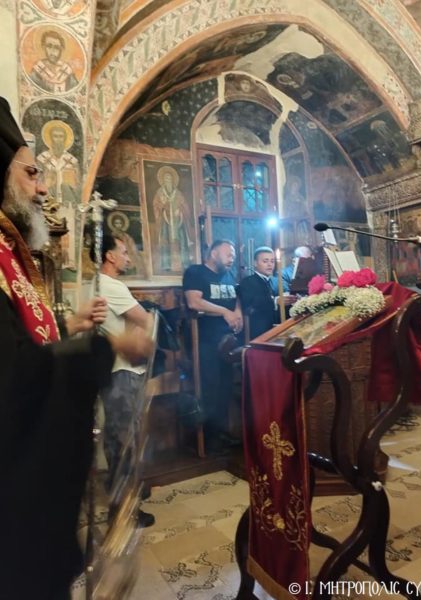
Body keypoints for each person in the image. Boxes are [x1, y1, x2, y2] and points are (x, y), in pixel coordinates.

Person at [0, 97, 152, 600]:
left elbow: (18, 337)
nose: (43, 187)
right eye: (31, 173)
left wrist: (66, 324)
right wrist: (104, 349)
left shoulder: (8, 252)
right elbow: (14, 375)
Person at [93, 233, 156, 526]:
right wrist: (139, 338)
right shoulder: (111, 285)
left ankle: (121, 503)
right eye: (123, 252)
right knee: (126, 441)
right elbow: (145, 319)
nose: (128, 258)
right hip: (124, 371)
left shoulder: (93, 284)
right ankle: (126, 512)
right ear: (109, 256)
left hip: (110, 371)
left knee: (117, 439)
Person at [183, 239, 243, 451]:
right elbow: (194, 301)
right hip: (204, 340)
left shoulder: (229, 275)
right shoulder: (196, 272)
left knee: (225, 387)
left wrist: (237, 313)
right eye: (228, 254)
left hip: (227, 341)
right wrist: (224, 312)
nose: (232, 259)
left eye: (233, 255)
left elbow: (235, 298)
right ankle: (206, 439)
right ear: (214, 253)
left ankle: (221, 434)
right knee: (209, 388)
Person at [37, 120, 80, 269]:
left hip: (66, 203)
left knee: (68, 232)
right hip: (48, 205)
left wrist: (70, 185)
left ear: (65, 139)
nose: (58, 139)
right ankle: (47, 261)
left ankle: (68, 262)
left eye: (61, 136)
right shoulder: (42, 159)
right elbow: (38, 181)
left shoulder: (72, 161)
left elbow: (77, 186)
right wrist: (49, 181)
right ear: (50, 138)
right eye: (55, 136)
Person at [152, 165, 193, 272]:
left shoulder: (178, 193)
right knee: (165, 240)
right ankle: (166, 264)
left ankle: (185, 263)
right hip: (165, 220)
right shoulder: (160, 193)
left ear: (173, 180)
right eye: (166, 178)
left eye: (170, 178)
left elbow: (185, 206)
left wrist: (180, 211)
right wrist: (162, 207)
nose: (168, 180)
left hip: (178, 220)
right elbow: (156, 205)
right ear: (163, 181)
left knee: (183, 240)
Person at [239, 247, 279, 339]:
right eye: (265, 261)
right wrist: (275, 301)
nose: (270, 264)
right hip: (257, 330)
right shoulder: (247, 282)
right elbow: (250, 304)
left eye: (272, 261)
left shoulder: (277, 282)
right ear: (255, 263)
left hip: (277, 328)